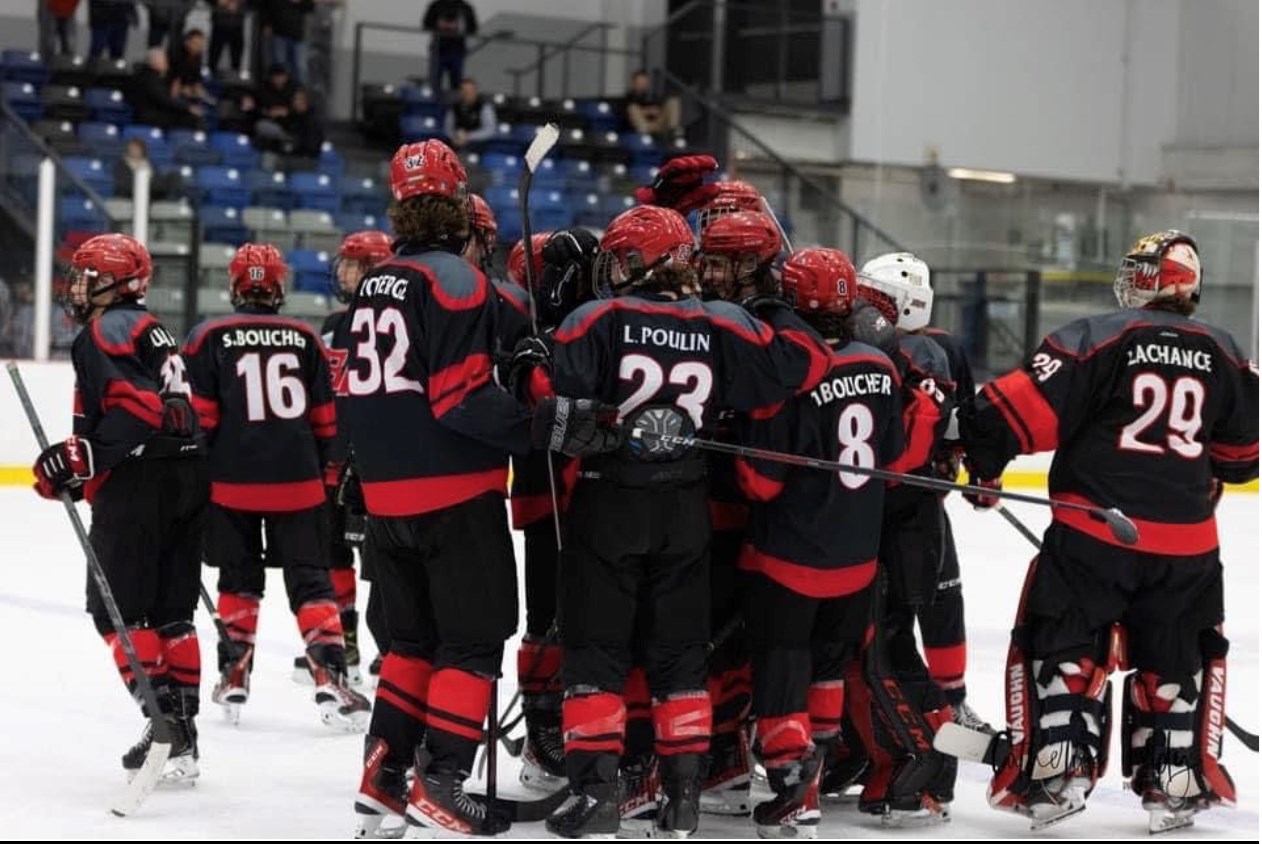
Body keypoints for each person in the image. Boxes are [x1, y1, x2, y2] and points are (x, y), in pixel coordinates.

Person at [343, 139, 619, 838]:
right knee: (472, 642)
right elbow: (459, 398)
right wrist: (545, 424)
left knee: (411, 644)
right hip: (452, 493)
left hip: (386, 498)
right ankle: (441, 784)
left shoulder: (378, 280)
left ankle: (383, 779)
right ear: (459, 203)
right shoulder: (457, 281)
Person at [538, 204, 833, 839]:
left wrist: (535, 339)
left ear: (643, 261)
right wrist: (773, 304)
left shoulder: (598, 316)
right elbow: (807, 361)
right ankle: (682, 799)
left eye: (621, 258)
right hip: (686, 508)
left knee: (597, 651)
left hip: (609, 503)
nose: (614, 270)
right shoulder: (723, 320)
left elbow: (548, 389)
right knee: (680, 658)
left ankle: (597, 794)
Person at [956, 230, 1258, 832]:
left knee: (1062, 643)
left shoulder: (1097, 336)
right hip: (1188, 547)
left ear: (1153, 280)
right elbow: (1242, 459)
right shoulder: (1226, 351)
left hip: (1094, 532)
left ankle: (1056, 770)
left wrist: (984, 470)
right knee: (1176, 659)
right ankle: (1174, 779)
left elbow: (1008, 413)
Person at [735, 247, 904, 838]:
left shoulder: (791, 371)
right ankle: (818, 765)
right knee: (829, 665)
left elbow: (760, 482)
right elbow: (893, 458)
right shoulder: (881, 365)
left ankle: (792, 787)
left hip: (791, 558)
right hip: (856, 559)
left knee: (782, 664)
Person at [32, 233, 207, 783]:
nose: (77, 287)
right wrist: (86, 462)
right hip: (188, 475)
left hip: (139, 482)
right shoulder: (152, 326)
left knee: (116, 613)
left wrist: (87, 456)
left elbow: (139, 409)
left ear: (115, 282)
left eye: (87, 277)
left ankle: (164, 723)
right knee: (173, 613)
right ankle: (183, 736)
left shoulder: (103, 330)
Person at [181, 243, 371, 733]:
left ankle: (234, 672)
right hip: (298, 484)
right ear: (278, 285)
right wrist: (323, 471)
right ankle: (330, 674)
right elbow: (326, 420)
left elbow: (201, 421)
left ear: (235, 284)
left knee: (238, 580)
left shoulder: (207, 336)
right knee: (311, 580)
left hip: (231, 485)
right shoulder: (305, 336)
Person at [292, 229, 396, 689]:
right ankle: (345, 642)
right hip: (334, 460)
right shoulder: (334, 323)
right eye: (346, 264)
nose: (345, 272)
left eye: (355, 265)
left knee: (383, 561)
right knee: (332, 553)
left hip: (376, 460)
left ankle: (394, 646)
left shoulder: (394, 320)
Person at [129, 48, 204, 130]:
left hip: (155, 111)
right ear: (154, 62)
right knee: (190, 118)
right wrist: (187, 107)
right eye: (164, 60)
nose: (166, 63)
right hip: (149, 115)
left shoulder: (154, 76)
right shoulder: (150, 79)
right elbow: (164, 99)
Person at [422, 0, 478, 96]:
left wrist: (459, 27)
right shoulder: (436, 5)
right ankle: (434, 101)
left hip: (456, 50)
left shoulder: (465, 8)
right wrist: (439, 25)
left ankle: (454, 103)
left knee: (456, 82)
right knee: (434, 82)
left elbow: (473, 28)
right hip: (439, 50)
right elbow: (426, 24)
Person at [260, 0, 314, 84]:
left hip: (298, 36)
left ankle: (300, 90)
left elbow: (310, 7)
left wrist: (301, 1)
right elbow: (267, 7)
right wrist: (266, 23)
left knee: (301, 68)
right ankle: (282, 90)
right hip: (279, 34)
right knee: (280, 66)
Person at [623, 69, 682, 139]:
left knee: (673, 101)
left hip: (658, 124)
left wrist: (657, 111)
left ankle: (673, 131)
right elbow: (626, 115)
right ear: (633, 83)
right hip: (642, 127)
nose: (642, 85)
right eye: (640, 82)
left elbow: (660, 109)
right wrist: (648, 111)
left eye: (644, 83)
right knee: (632, 108)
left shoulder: (652, 96)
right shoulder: (627, 98)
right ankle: (644, 135)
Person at [443, 77, 496, 149]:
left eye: (470, 90)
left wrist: (469, 136)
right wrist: (454, 137)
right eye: (464, 90)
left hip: (478, 144)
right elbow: (448, 127)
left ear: (475, 91)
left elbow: (490, 130)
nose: (467, 93)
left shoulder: (484, 107)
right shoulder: (455, 107)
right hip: (456, 142)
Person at [167, 27, 209, 103]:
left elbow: (196, 76)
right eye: (196, 44)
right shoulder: (175, 54)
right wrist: (182, 89)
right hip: (170, 85)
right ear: (187, 42)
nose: (199, 47)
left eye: (201, 45)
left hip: (186, 85)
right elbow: (174, 79)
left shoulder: (198, 56)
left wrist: (197, 89)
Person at [209, 0, 246, 75]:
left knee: (236, 58)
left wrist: (237, 3)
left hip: (237, 23)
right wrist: (218, 1)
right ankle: (210, 76)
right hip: (219, 22)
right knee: (214, 56)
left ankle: (235, 76)